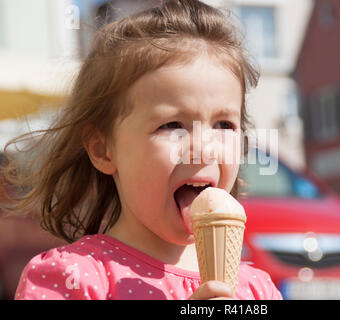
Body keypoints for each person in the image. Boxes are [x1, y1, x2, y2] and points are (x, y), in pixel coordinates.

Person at [2, 0, 283, 300]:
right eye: (173, 124)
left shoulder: (257, 290)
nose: (205, 149)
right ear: (102, 150)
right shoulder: (73, 277)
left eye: (224, 124)